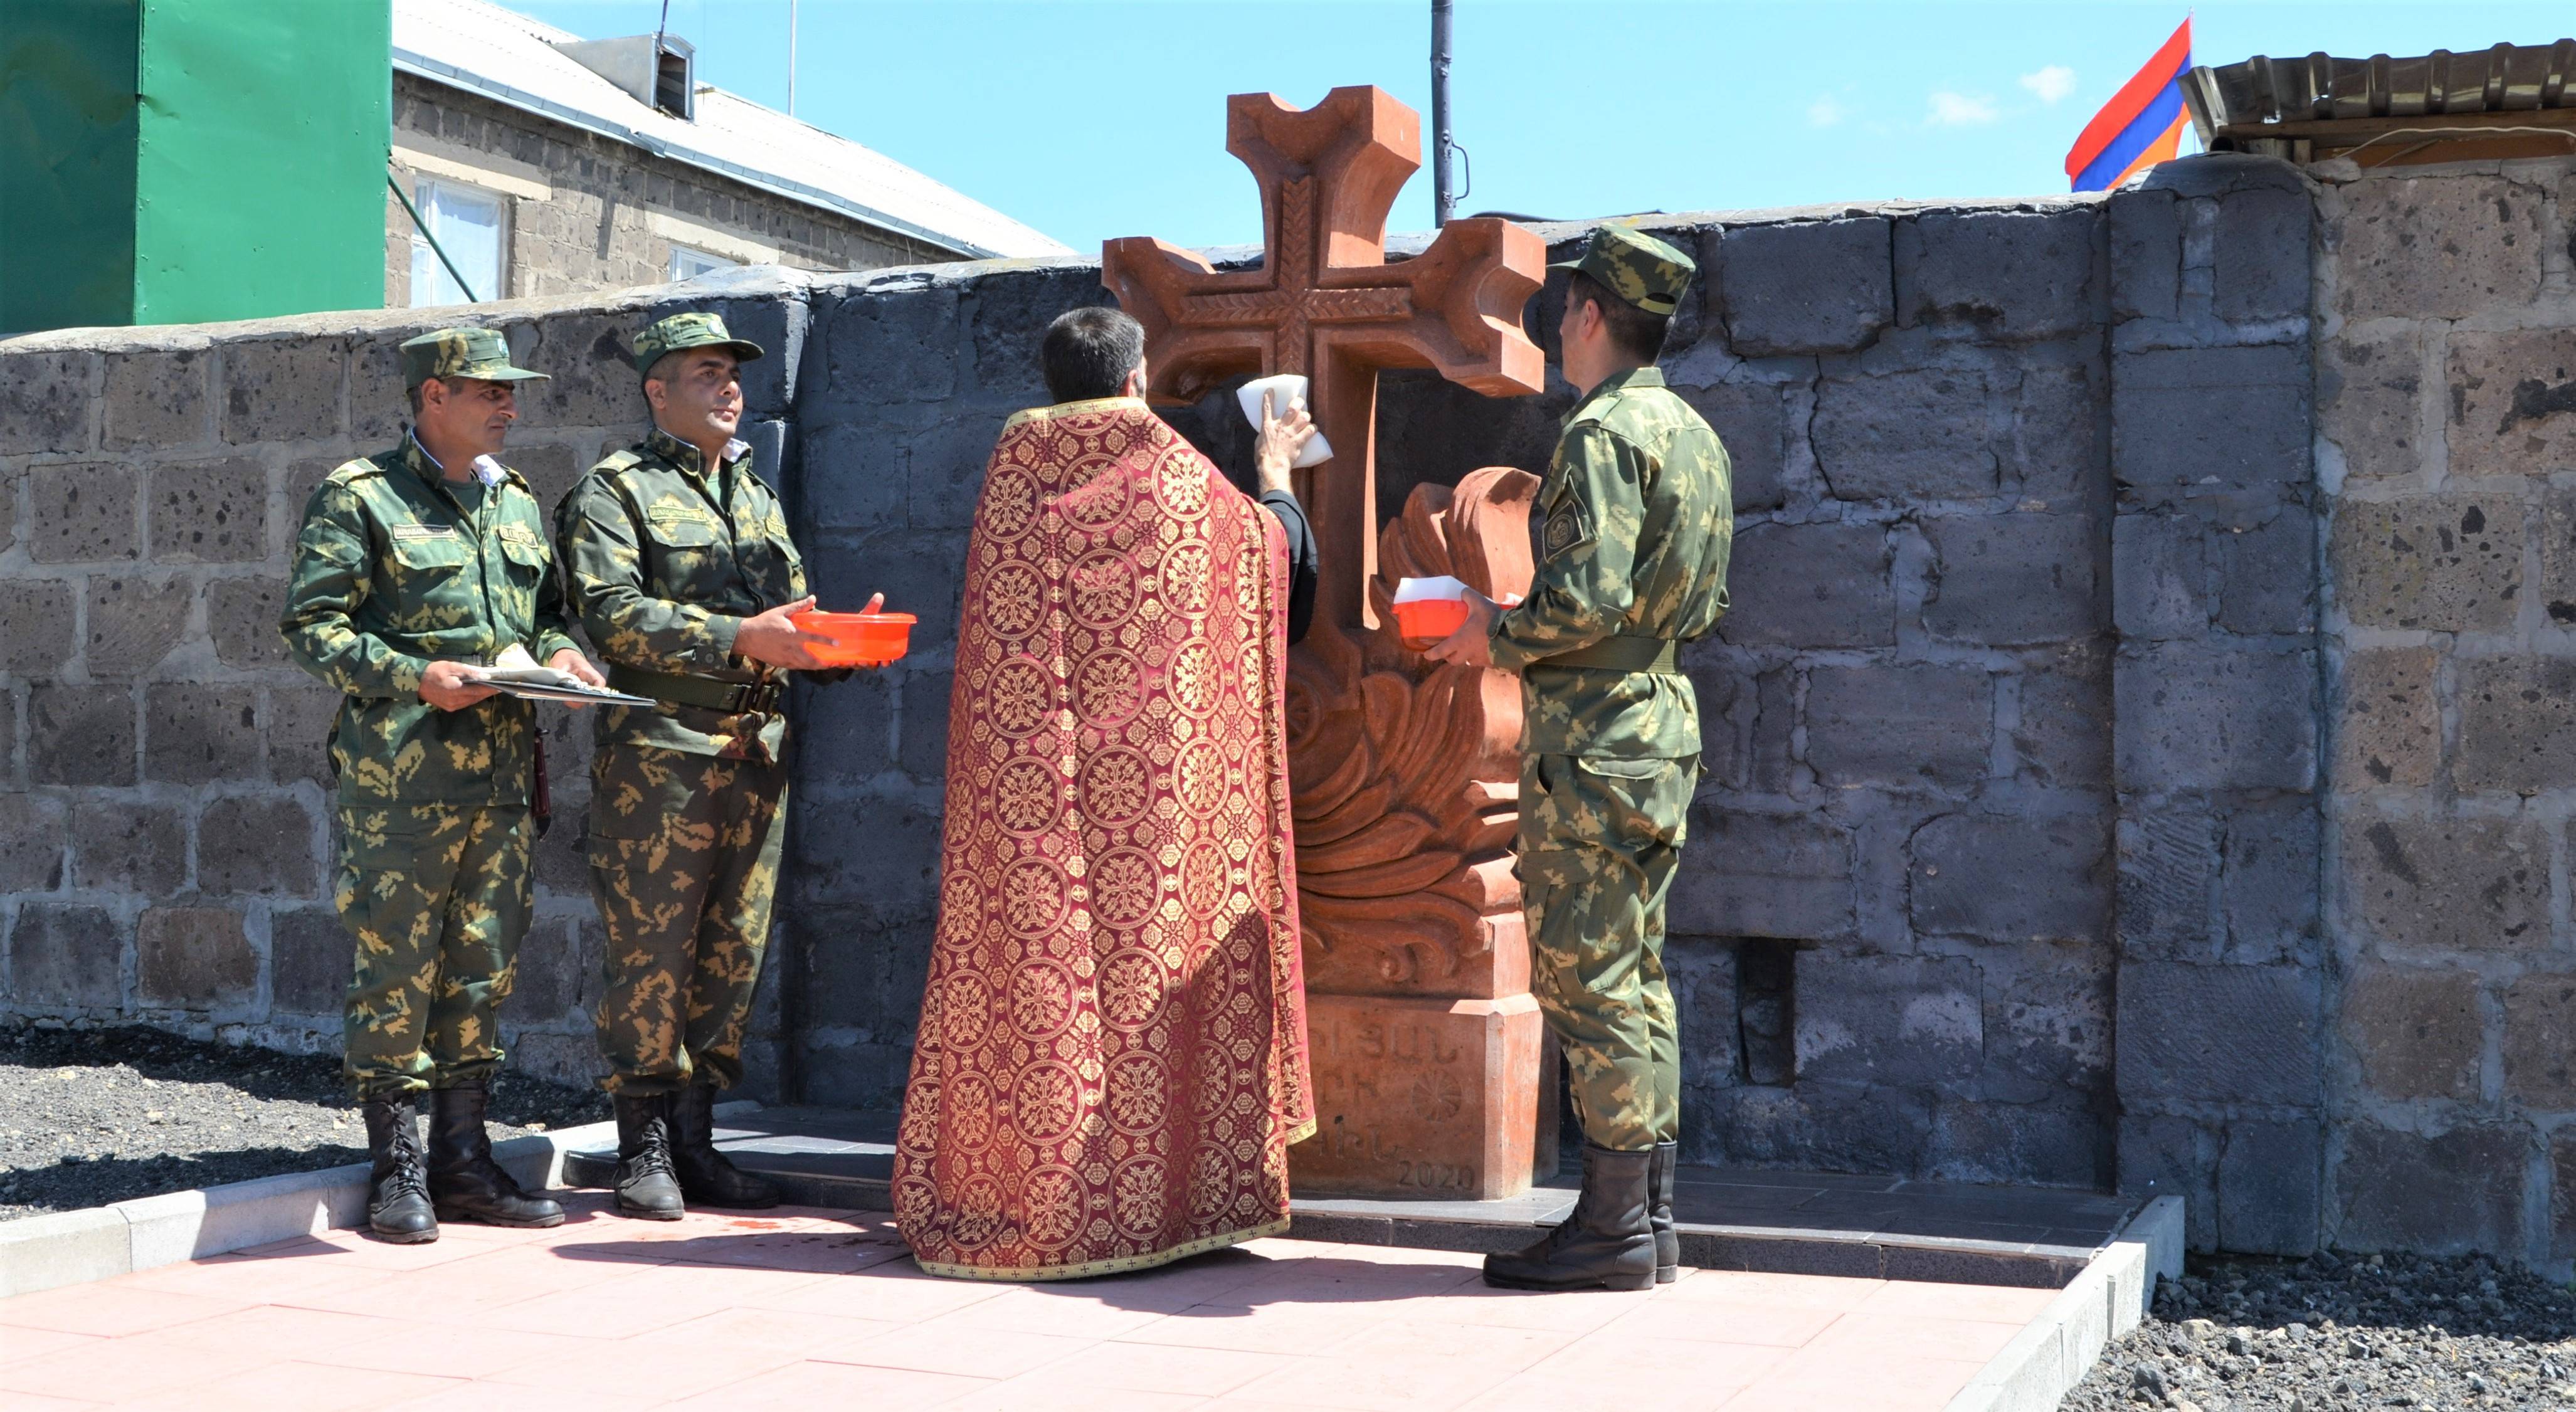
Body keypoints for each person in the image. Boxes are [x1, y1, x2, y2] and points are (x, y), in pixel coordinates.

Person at [893, 306, 1320, 1280]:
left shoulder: (1011, 475)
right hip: (1165, 812)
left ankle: (1028, 1194)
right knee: (1146, 993)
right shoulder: (1173, 474)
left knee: (1042, 989)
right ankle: (1160, 1203)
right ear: (1135, 381)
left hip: (1028, 804)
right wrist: (1278, 476)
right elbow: (1270, 561)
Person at [1426, 226, 1733, 1292]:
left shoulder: (1603, 433)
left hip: (1595, 731)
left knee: (1586, 973)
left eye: (1566, 308)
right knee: (1637, 970)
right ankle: (1645, 1219)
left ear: (1592, 314)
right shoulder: (1692, 433)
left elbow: (1584, 598)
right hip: (1659, 719)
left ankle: (1614, 1230)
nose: (1559, 325)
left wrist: (1490, 631)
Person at [280, 326, 604, 1243]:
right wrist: (410, 673)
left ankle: (464, 1162)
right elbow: (312, 629)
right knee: (396, 973)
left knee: (482, 971)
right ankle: (400, 1171)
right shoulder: (362, 496)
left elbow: (542, 616)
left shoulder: (515, 502)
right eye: (487, 391)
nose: (510, 406)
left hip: (500, 784)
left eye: (511, 392)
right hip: (403, 784)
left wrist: (566, 656)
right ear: (432, 396)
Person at [554, 312, 876, 1220]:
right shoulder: (615, 490)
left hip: (753, 751)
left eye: (734, 373)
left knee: (732, 952)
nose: (730, 387)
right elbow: (610, 616)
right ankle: (643, 1147)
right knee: (654, 949)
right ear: (658, 391)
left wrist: (832, 643)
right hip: (663, 753)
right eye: (706, 373)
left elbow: (785, 616)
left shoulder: (756, 492)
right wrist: (742, 636)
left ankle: (696, 1141)